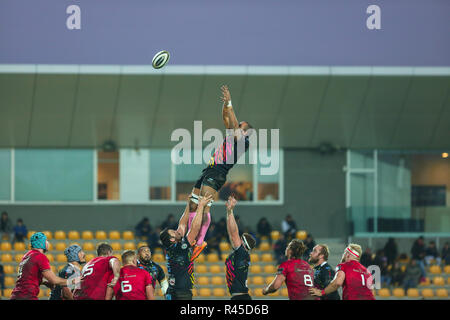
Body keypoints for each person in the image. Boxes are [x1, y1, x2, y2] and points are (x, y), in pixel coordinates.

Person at [185, 85, 254, 260]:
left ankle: (199, 242)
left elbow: (233, 123)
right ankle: (190, 237)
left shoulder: (243, 142)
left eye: (241, 126)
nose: (237, 125)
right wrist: (226, 104)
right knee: (193, 204)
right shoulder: (233, 135)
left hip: (217, 173)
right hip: (209, 170)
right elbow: (226, 117)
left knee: (204, 205)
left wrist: (230, 103)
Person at [159, 194, 212, 300]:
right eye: (174, 232)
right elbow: (194, 229)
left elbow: (182, 224)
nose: (177, 231)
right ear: (172, 239)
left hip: (174, 292)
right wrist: (200, 206)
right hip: (181, 294)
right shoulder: (179, 248)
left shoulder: (173, 247)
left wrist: (189, 204)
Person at [10, 232, 78, 300]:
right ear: (42, 243)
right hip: (27, 296)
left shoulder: (26, 256)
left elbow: (27, 277)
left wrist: (44, 282)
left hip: (15, 295)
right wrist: (72, 281)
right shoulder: (40, 256)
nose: (48, 243)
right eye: (46, 240)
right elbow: (54, 280)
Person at [309, 243, 375, 300]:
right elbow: (372, 291)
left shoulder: (344, 266)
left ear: (348, 255)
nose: (343, 255)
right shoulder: (367, 271)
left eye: (344, 253)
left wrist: (321, 292)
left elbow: (337, 283)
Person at [224, 196, 256, 300]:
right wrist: (228, 212)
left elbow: (234, 234)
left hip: (240, 298)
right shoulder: (241, 254)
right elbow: (230, 233)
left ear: (243, 242)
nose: (238, 239)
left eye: (240, 238)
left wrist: (231, 210)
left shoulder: (242, 253)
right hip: (240, 297)